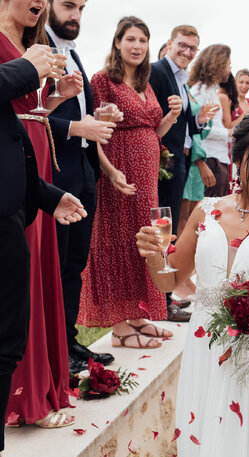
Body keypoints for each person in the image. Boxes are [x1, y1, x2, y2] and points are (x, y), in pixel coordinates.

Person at [136, 109, 249, 457]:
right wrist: (152, 255)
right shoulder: (206, 211)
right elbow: (169, 281)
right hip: (205, 347)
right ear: (239, 156)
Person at [0, 0, 85, 432]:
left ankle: (42, 386)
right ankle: (24, 395)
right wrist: (30, 71)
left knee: (35, 278)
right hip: (9, 177)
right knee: (18, 289)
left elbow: (24, 116)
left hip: (31, 165)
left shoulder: (28, 45)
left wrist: (56, 97)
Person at [78, 16, 181, 349]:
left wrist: (171, 118)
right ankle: (120, 326)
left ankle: (138, 315)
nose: (137, 46)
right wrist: (109, 170)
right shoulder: (103, 80)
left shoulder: (146, 83)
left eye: (143, 40)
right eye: (131, 39)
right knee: (119, 240)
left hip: (146, 175)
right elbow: (94, 134)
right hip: (118, 172)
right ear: (117, 43)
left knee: (145, 240)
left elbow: (152, 131)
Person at [46, 0, 119, 374]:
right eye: (69, 5)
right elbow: (30, 116)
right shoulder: (37, 49)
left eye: (81, 8)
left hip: (84, 172)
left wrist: (97, 119)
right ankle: (53, 351)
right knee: (55, 266)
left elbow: (77, 113)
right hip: (54, 175)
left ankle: (69, 342)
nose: (75, 15)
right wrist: (78, 128)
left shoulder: (73, 53)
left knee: (75, 265)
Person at [148, 24, 215, 321]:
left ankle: (165, 296)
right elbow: (152, 117)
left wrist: (198, 119)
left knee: (169, 227)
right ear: (170, 44)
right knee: (162, 228)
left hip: (181, 161)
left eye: (192, 48)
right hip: (165, 162)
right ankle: (161, 303)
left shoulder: (181, 79)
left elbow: (188, 126)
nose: (187, 52)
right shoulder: (157, 72)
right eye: (183, 46)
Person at [188, 44, 233, 199]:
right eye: (228, 65)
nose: (229, 69)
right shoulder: (199, 91)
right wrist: (229, 132)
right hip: (210, 158)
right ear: (219, 64)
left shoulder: (211, 91)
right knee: (209, 213)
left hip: (219, 156)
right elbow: (199, 128)